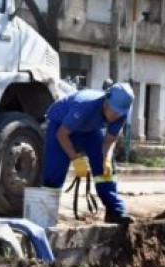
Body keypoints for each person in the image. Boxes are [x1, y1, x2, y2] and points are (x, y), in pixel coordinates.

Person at [42, 82, 135, 224]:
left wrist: (107, 159)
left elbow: (109, 140)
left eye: (119, 113)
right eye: (114, 111)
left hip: (90, 129)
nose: (116, 116)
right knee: (55, 168)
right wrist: (75, 159)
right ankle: (44, 213)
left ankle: (114, 211)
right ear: (106, 101)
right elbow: (62, 134)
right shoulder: (85, 105)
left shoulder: (121, 112)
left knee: (105, 168)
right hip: (61, 125)